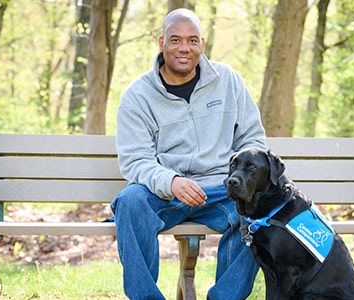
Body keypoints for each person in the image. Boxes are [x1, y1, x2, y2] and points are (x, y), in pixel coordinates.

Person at [110, 8, 267, 300]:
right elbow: (135, 161)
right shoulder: (137, 96)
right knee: (130, 201)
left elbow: (252, 139)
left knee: (260, 208)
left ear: (202, 44)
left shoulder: (228, 81)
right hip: (165, 192)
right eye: (176, 40)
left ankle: (225, 297)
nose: (185, 48)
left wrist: (240, 179)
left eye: (192, 40)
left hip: (221, 189)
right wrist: (171, 182)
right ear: (162, 43)